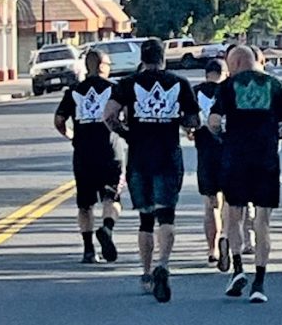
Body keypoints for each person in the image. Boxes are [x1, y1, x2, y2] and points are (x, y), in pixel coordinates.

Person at [103, 38, 200, 303]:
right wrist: (177, 120)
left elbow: (108, 116)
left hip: (139, 158)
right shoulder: (179, 84)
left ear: (142, 59)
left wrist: (127, 134)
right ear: (163, 58)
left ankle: (146, 273)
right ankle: (164, 264)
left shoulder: (127, 85)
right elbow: (194, 120)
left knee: (145, 219)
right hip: (168, 156)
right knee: (166, 216)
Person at [210, 46, 282, 303]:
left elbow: (213, 122)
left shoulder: (227, 87)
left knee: (234, 214)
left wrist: (223, 136)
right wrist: (276, 132)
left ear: (234, 63)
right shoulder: (275, 85)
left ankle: (238, 268)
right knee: (262, 220)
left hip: (235, 159)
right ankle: (259, 282)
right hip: (266, 159)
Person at [54, 50, 122, 264]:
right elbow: (125, 116)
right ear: (102, 65)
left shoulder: (74, 91)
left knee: (85, 204)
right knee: (112, 197)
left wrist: (71, 135)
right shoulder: (114, 89)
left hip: (83, 153)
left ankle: (88, 250)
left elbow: (58, 120)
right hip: (109, 151)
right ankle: (107, 228)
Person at [192, 58, 230, 270]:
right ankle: (227, 237)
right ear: (225, 72)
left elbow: (188, 120)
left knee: (210, 204)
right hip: (229, 151)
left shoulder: (195, 91)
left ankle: (212, 249)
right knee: (232, 203)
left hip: (205, 153)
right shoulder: (230, 91)